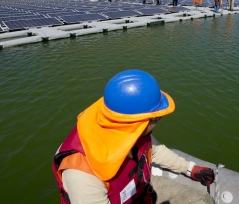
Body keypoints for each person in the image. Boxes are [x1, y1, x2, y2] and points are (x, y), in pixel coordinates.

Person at [53, 69, 215, 204]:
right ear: (137, 122)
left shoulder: (130, 132)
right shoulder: (82, 174)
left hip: (140, 190)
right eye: (156, 118)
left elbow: (154, 150)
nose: (158, 121)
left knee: (201, 200)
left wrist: (190, 169)